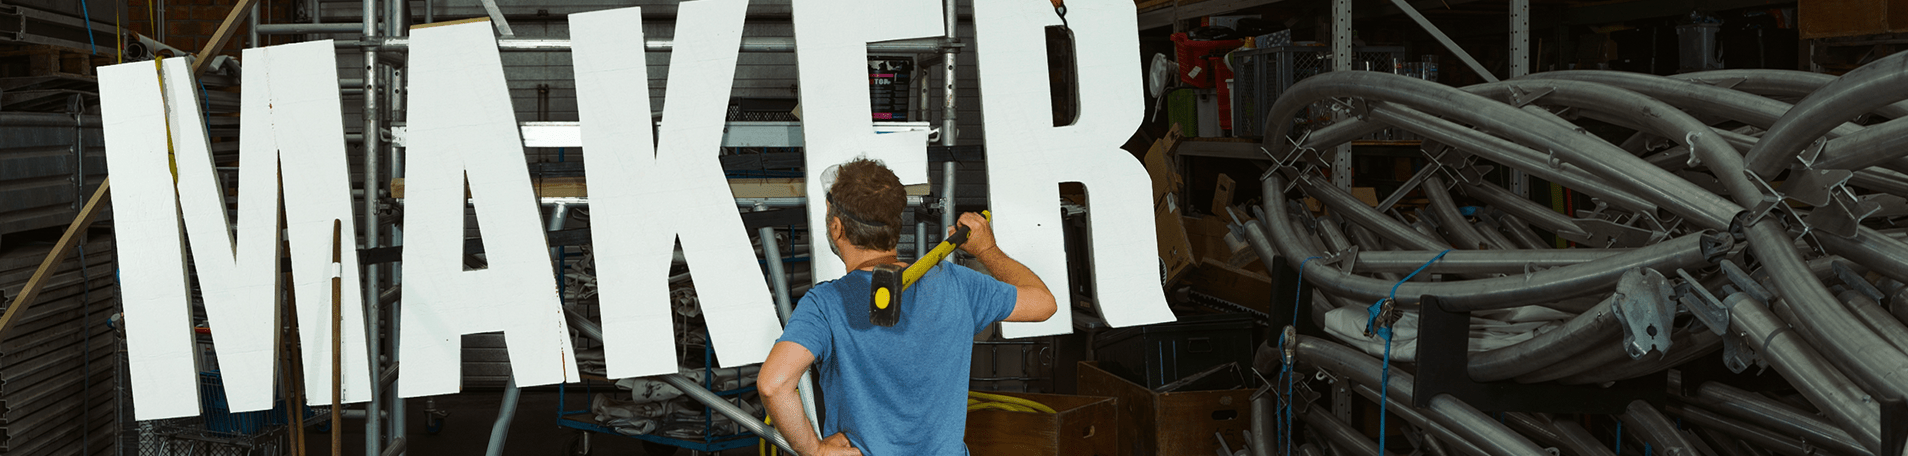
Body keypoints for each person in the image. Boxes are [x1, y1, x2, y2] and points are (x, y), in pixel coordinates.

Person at [758, 158, 1058, 456]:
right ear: (895, 225)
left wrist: (816, 451)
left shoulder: (826, 303)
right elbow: (1043, 303)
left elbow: (774, 384)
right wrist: (986, 249)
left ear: (836, 228)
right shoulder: (959, 285)